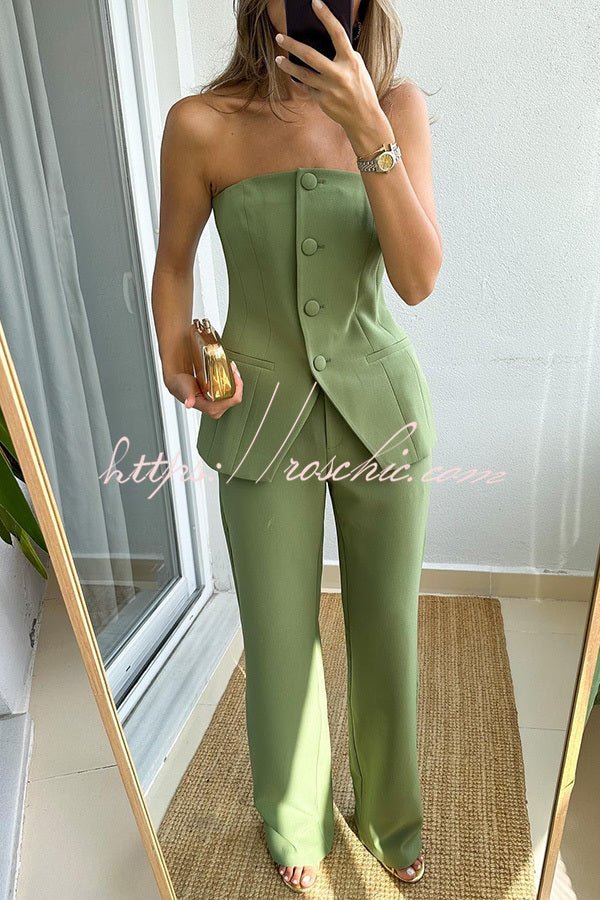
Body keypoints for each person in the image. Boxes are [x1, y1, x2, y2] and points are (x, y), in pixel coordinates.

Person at [152, 0, 442, 891]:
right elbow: (173, 264)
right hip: (258, 416)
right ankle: (296, 822)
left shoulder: (397, 106)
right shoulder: (201, 124)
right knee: (278, 637)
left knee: (386, 629)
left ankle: (391, 820)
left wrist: (369, 133)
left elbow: (418, 279)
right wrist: (176, 354)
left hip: (380, 415)